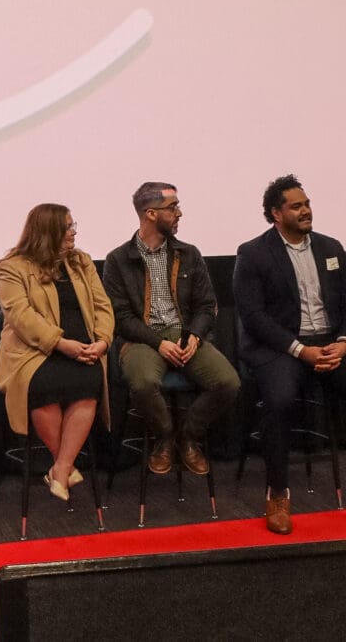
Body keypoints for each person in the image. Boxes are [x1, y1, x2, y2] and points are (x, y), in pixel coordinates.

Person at [233, 174, 346, 535]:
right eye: (296, 206)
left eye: (307, 203)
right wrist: (300, 350)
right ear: (276, 214)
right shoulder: (253, 253)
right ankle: (278, 495)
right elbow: (253, 317)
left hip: (331, 342)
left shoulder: (331, 248)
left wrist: (344, 342)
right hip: (282, 346)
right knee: (279, 400)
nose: (306, 210)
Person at [103, 182, 240, 476]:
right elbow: (120, 316)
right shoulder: (118, 259)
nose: (179, 213)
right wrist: (157, 342)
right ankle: (163, 437)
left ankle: (188, 437)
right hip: (141, 339)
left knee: (228, 382)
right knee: (142, 383)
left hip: (185, 334)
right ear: (150, 214)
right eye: (172, 207)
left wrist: (195, 336)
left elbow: (206, 305)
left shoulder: (188, 253)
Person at [0, 203, 114, 501]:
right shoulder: (13, 267)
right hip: (33, 355)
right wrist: (61, 344)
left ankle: (60, 468)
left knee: (89, 382)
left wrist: (102, 341)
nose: (74, 232)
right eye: (68, 227)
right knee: (44, 386)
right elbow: (21, 317)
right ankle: (64, 466)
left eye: (74, 226)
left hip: (83, 350)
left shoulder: (81, 262)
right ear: (48, 232)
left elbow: (103, 306)